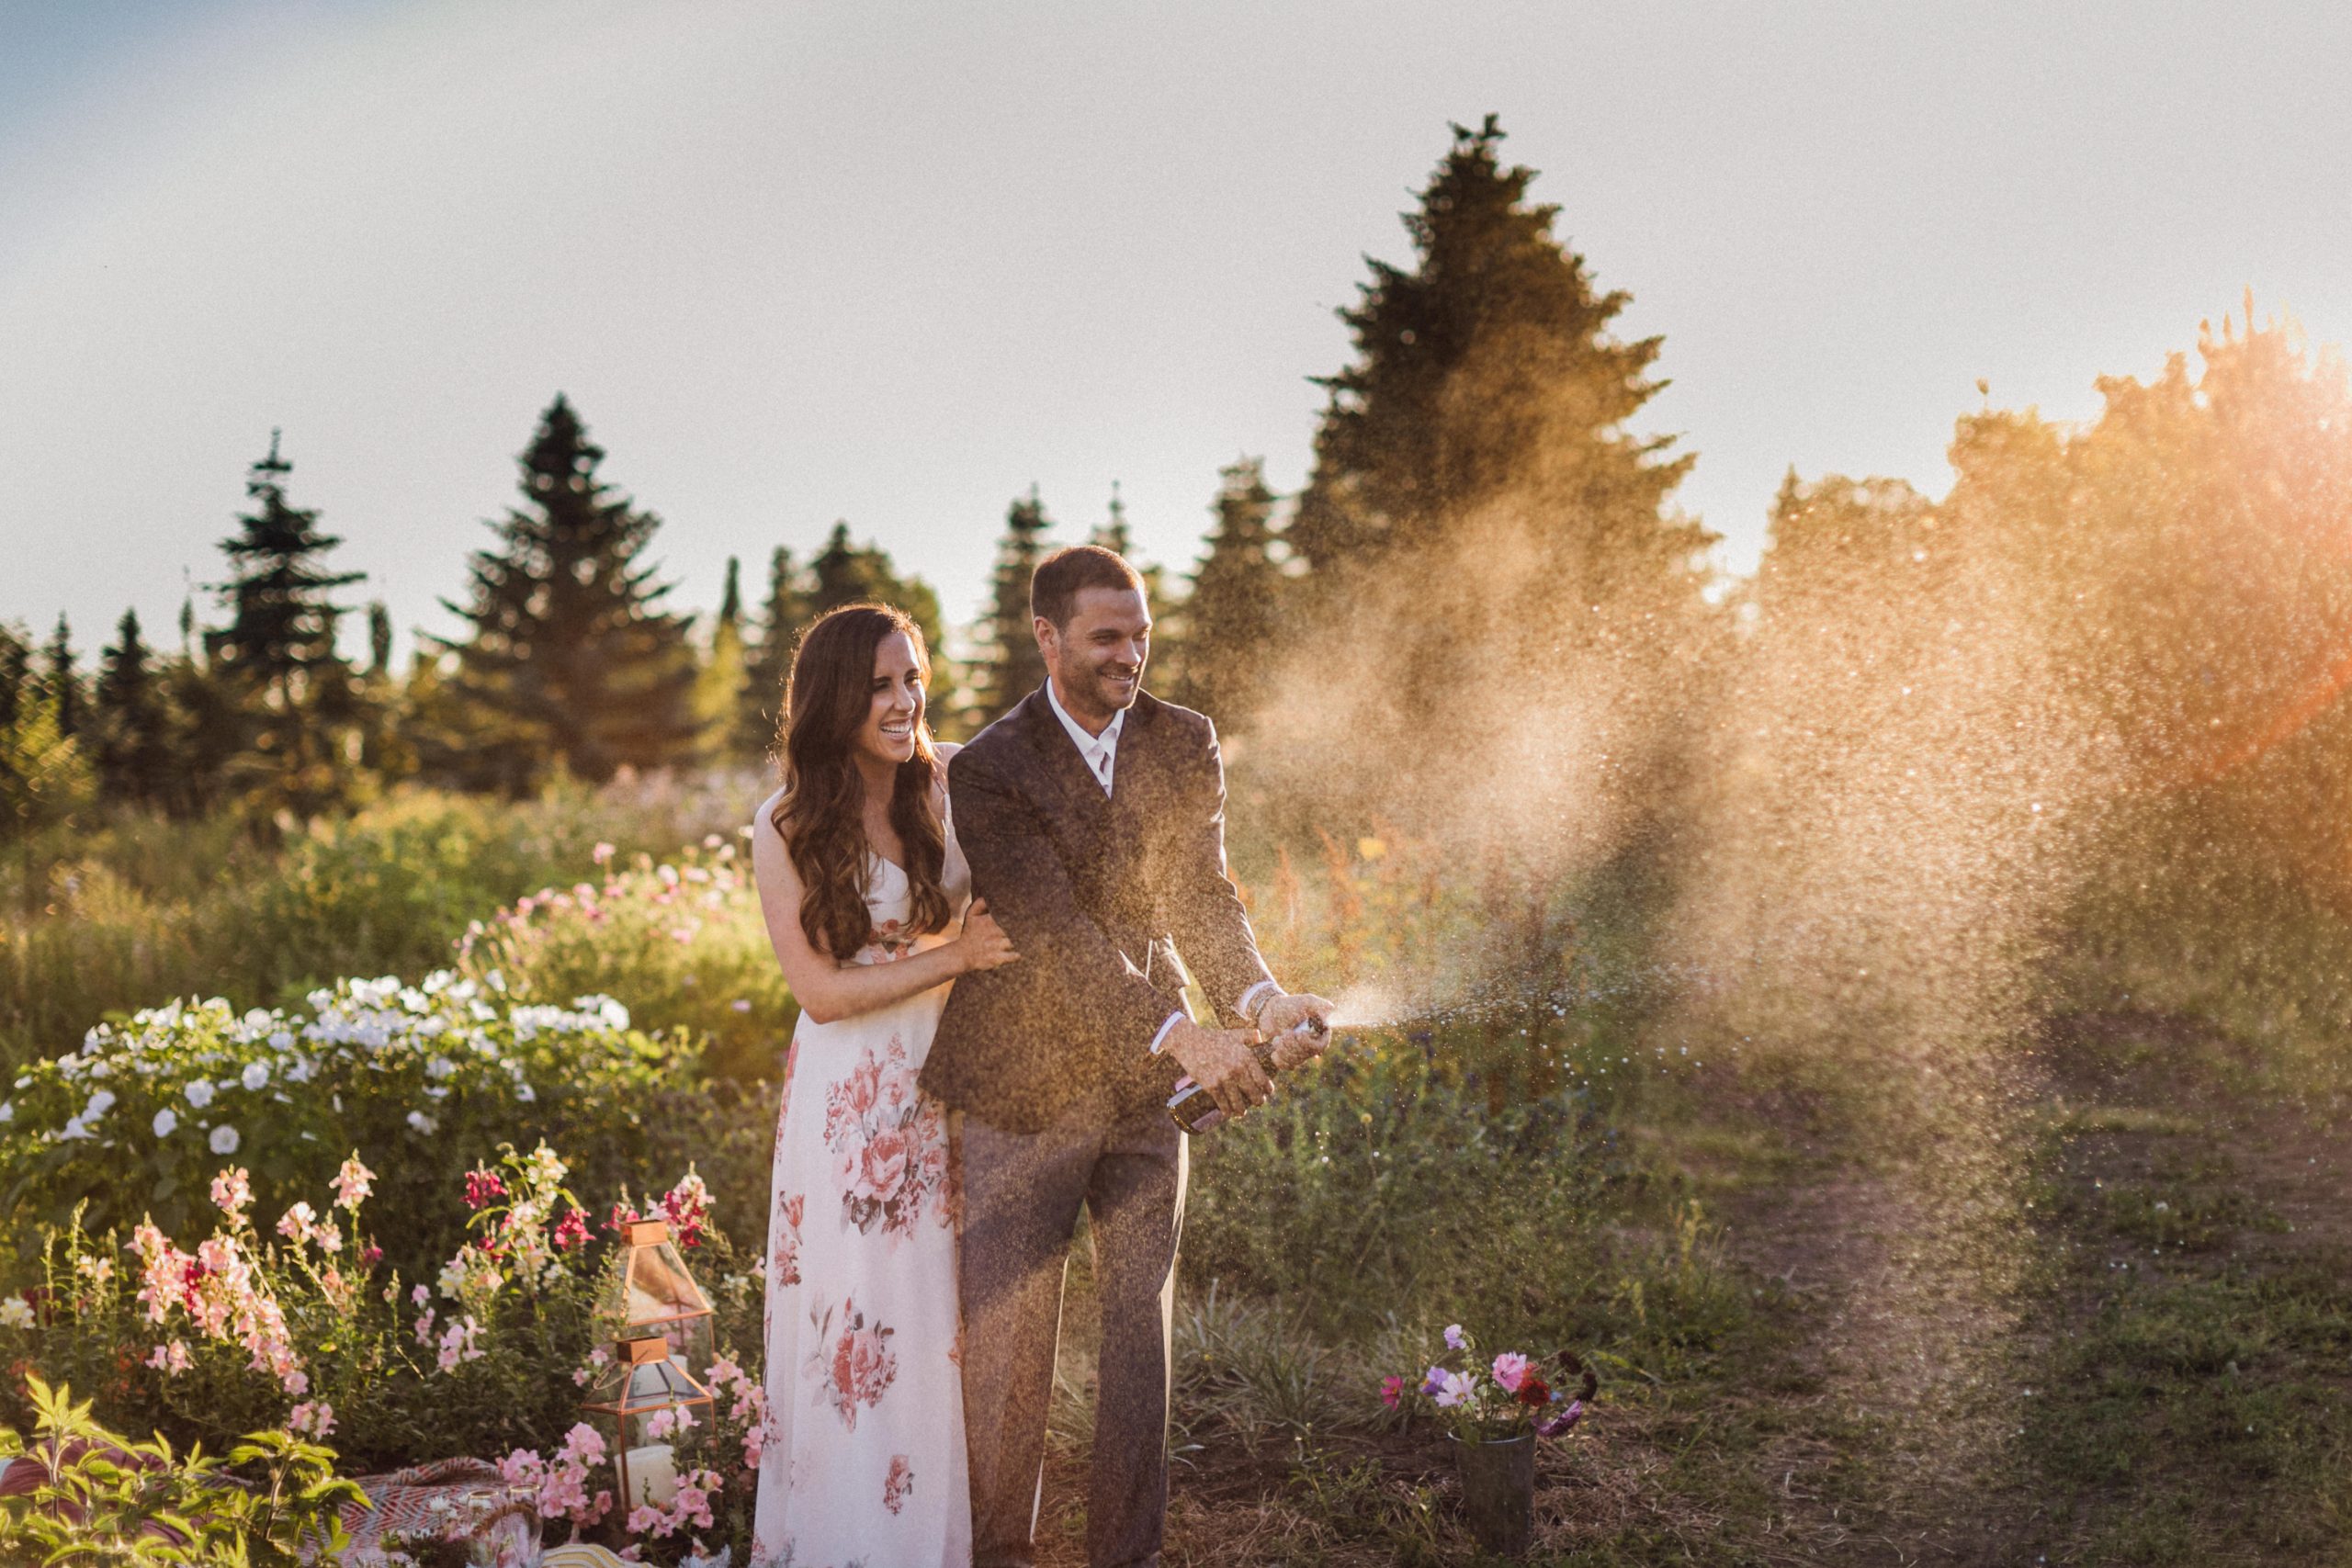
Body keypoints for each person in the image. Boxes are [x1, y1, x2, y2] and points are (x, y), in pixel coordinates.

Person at [920, 546, 1333, 1568]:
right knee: (1012, 1345)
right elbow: (1054, 935)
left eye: (1140, 634)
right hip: (1023, 1089)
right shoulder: (988, 769)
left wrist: (1260, 999)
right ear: (1048, 637)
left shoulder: (1184, 740)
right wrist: (1183, 1034)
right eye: (1107, 637)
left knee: (1137, 1331)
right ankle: (998, 1553)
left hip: (1152, 1091)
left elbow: (1202, 898)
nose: (1130, 655)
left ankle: (1128, 1556)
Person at [748, 604, 1018, 1568]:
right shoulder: (782, 823)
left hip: (949, 1079)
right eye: (879, 687)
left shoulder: (944, 785)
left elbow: (1004, 902)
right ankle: (851, 1543)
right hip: (852, 1099)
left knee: (934, 1322)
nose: (904, 702)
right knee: (856, 1317)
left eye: (912, 680)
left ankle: (927, 1537)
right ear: (833, 700)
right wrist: (954, 961)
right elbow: (819, 993)